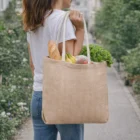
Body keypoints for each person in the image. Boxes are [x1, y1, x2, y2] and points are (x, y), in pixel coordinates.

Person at [22, 0, 85, 140]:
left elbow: (33, 64)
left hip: (38, 94)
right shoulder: (62, 19)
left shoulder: (33, 21)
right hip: (64, 97)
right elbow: (70, 61)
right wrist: (80, 29)